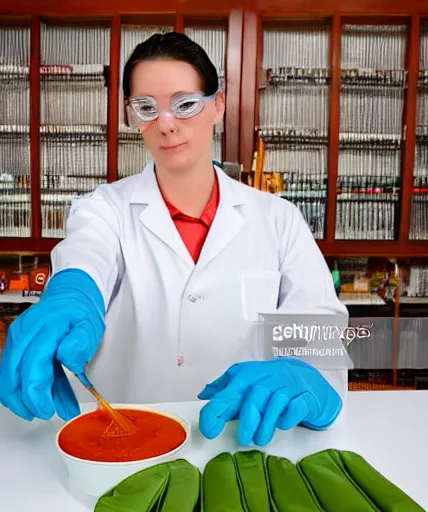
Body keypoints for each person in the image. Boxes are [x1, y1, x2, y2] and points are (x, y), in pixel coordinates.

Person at [0, 32, 349, 447]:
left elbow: (317, 329)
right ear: (132, 117)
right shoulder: (103, 209)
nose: (166, 124)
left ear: (217, 105)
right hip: (122, 444)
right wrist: (72, 294)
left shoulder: (279, 219)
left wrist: (307, 374)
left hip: (245, 441)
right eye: (146, 108)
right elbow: (86, 256)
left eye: (185, 104)